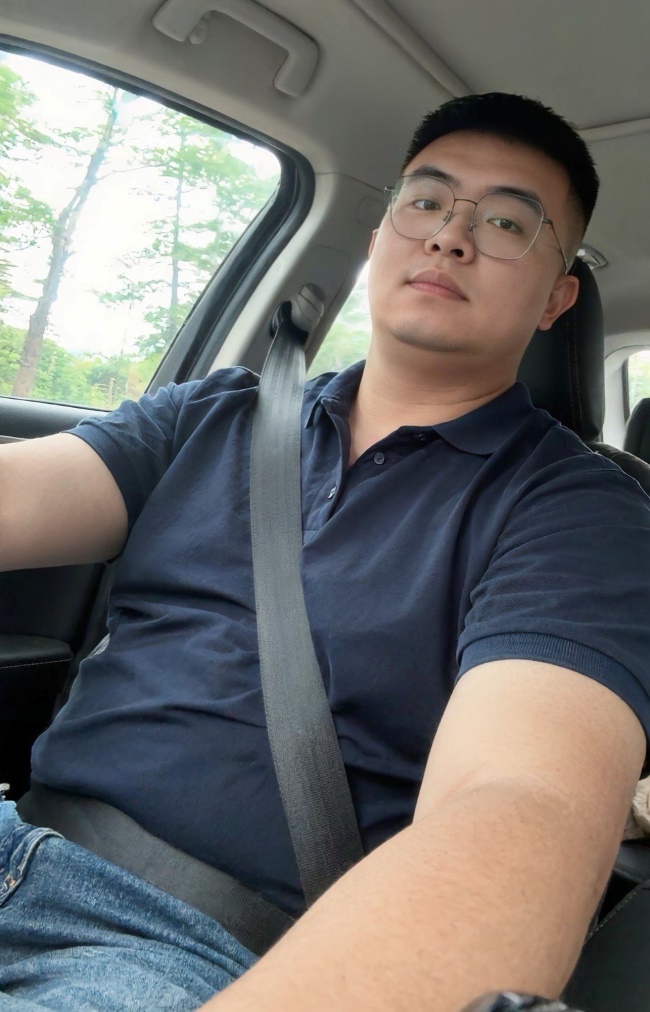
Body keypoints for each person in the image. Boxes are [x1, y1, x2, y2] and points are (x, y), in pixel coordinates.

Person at [0, 92, 649, 1012]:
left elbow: (523, 800)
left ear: (556, 299)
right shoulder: (212, 415)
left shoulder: (582, 515)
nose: (450, 236)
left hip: (183, 951)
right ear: (381, 239)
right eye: (426, 202)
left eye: (507, 222)